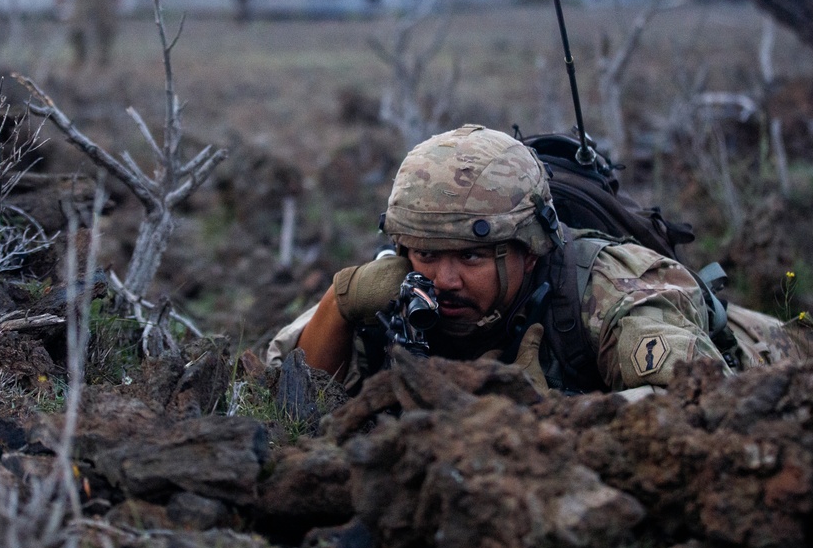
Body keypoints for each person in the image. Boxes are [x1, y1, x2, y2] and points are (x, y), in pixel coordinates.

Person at [268, 125, 800, 396]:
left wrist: (549, 418)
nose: (443, 279)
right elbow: (283, 400)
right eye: (426, 253)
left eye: (473, 256)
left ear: (531, 248)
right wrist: (339, 306)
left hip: (782, 361)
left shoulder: (610, 292)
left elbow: (702, 399)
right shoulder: (393, 287)